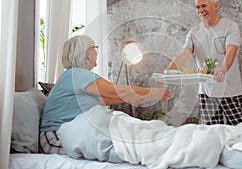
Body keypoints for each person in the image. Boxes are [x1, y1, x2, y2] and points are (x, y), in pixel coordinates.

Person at [39, 35, 170, 155]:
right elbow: (117, 90)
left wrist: (130, 97)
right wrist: (154, 92)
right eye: (95, 48)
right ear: (88, 53)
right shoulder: (77, 74)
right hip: (55, 137)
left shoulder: (75, 76)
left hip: (63, 133)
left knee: (129, 138)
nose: (97, 52)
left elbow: (104, 99)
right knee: (126, 146)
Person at [166, 0, 242, 125]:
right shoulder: (194, 32)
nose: (200, 10)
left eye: (204, 6)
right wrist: (167, 72)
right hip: (206, 92)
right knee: (210, 133)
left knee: (239, 128)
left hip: (229, 90)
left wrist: (222, 71)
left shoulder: (230, 27)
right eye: (198, 7)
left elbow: (231, 51)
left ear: (216, 6)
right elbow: (184, 54)